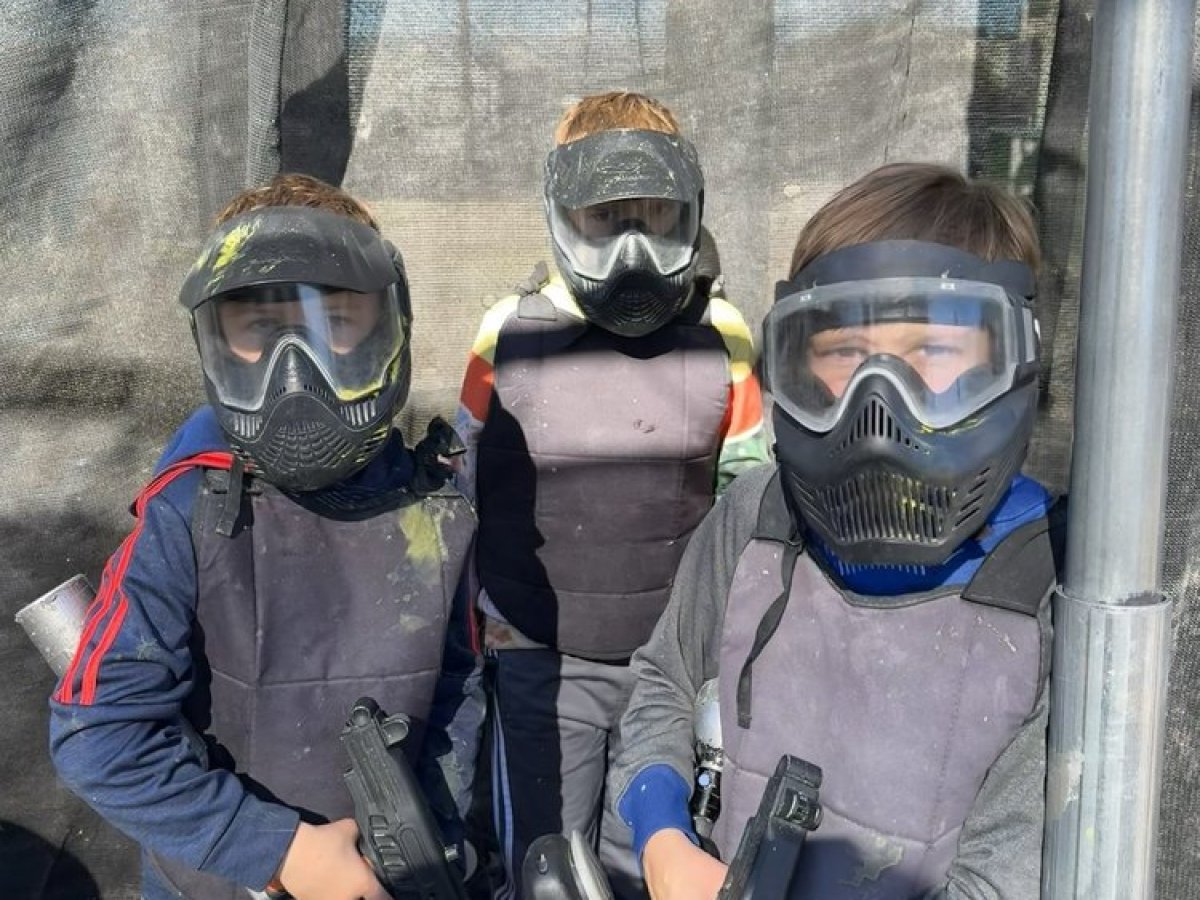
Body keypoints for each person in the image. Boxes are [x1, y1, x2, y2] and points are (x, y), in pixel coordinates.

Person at [610, 162, 1058, 900]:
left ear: (1011, 356)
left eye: (935, 353)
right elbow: (666, 678)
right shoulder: (760, 515)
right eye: (844, 352)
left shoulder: (1045, 585)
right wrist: (663, 838)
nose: (879, 408)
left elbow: (1004, 879)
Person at [49, 173, 484, 900]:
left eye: (333, 322)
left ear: (390, 325)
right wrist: (278, 852)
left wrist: (426, 845)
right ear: (215, 344)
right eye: (258, 332)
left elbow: (461, 694)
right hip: (221, 883)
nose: (295, 371)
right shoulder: (189, 507)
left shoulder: (441, 508)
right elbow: (97, 736)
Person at [453, 91, 770, 898]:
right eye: (605, 219)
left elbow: (747, 492)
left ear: (688, 212)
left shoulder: (722, 333)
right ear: (562, 215)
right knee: (546, 867)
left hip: (666, 673)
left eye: (654, 217)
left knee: (648, 868)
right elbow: (464, 482)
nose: (632, 249)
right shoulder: (508, 333)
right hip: (538, 663)